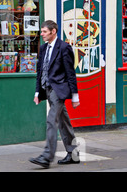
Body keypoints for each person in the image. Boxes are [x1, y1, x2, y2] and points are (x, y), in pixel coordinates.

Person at [29, 20, 80, 169]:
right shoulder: (44, 48)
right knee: (63, 121)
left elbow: (71, 73)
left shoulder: (64, 48)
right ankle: (73, 154)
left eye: (44, 31)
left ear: (53, 32)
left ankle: (46, 156)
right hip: (47, 89)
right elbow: (40, 71)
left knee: (52, 121)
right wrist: (38, 91)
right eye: (42, 31)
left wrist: (75, 95)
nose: (42, 34)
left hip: (59, 90)